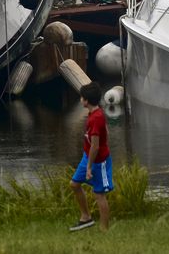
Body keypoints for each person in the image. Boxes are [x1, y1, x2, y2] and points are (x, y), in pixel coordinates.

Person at [69, 81, 114, 231]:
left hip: (97, 161)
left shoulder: (96, 118)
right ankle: (86, 217)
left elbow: (95, 145)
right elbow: (106, 132)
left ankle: (104, 229)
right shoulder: (94, 112)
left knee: (99, 194)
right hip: (87, 156)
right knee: (74, 184)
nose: (80, 99)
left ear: (86, 101)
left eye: (81, 97)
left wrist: (89, 167)